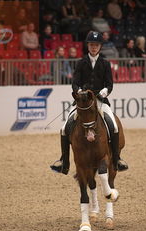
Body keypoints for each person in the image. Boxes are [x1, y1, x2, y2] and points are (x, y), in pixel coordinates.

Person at [50, 31, 128, 175]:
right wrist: (79, 91)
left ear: (100, 47)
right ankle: (64, 162)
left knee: (114, 126)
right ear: (88, 46)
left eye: (96, 45)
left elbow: (109, 84)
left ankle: (116, 159)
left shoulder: (105, 63)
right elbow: (75, 83)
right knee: (64, 128)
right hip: (83, 101)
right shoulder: (81, 63)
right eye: (91, 45)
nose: (94, 47)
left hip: (100, 100)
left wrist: (104, 91)